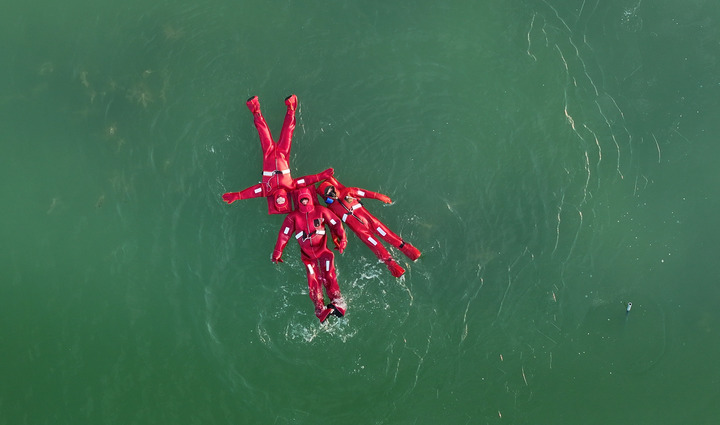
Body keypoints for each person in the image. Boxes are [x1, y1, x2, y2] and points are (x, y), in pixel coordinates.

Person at [222, 95, 332, 214]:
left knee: (263, 132)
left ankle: (255, 109)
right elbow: (305, 181)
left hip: (268, 153)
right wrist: (321, 176)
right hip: (283, 154)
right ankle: (291, 108)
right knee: (288, 131)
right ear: (286, 200)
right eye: (282, 201)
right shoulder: (291, 186)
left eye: (277, 201)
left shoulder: (266, 190)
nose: (280, 199)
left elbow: (252, 192)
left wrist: (237, 196)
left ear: (274, 201)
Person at [317, 176, 421, 278]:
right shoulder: (331, 208)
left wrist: (379, 196)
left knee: (389, 236)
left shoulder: (347, 192)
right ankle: (394, 267)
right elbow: (334, 223)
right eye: (327, 192)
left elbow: (364, 193)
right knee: (377, 247)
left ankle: (411, 252)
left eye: (331, 189)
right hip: (362, 232)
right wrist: (335, 237)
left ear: (333, 187)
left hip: (372, 222)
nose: (331, 192)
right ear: (325, 196)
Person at [272, 187, 348, 323]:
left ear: (310, 198)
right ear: (298, 201)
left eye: (306, 199)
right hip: (307, 256)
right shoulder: (293, 217)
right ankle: (320, 309)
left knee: (329, 275)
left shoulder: (321, 211)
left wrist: (343, 239)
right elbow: (284, 234)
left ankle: (338, 303)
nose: (305, 202)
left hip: (324, 252)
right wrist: (278, 251)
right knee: (313, 280)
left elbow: (335, 223)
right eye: (302, 200)